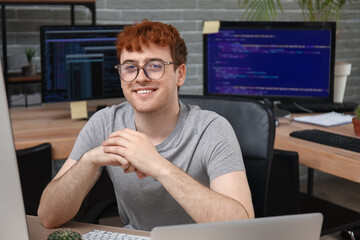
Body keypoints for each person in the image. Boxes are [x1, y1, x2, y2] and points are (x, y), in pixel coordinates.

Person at [38, 19, 254, 231]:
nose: (141, 78)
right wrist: (88, 161)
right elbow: (48, 217)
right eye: (130, 67)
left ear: (180, 74)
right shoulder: (105, 122)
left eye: (154, 66)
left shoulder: (212, 129)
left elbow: (242, 230)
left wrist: (158, 166)